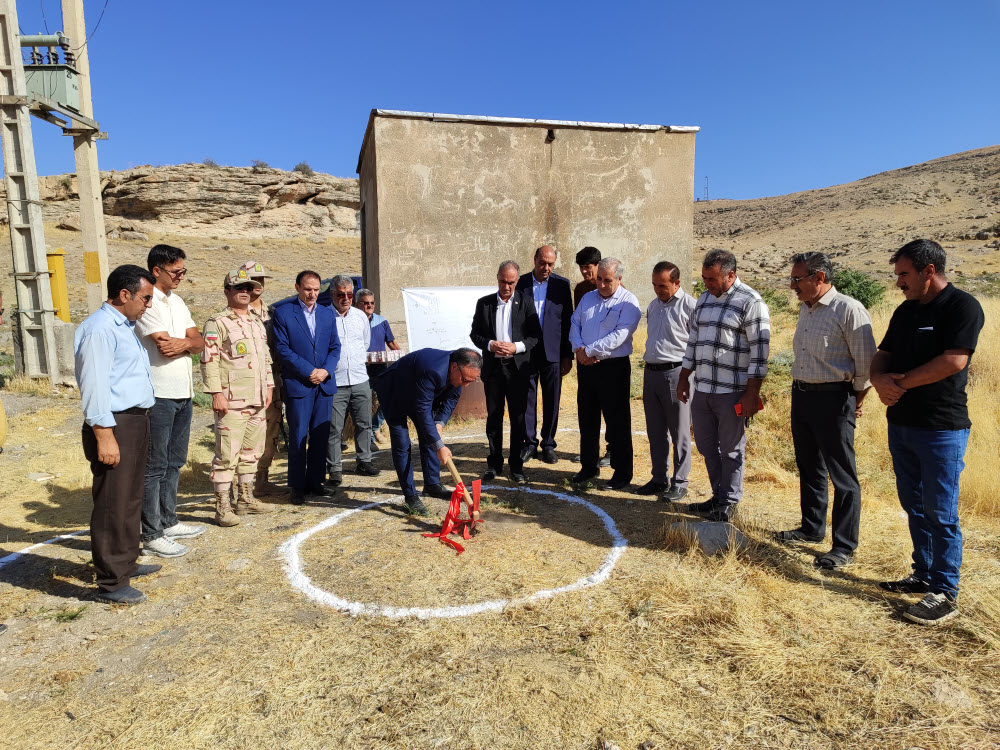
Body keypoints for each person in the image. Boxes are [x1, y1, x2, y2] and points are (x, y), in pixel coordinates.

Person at [871, 239, 984, 626]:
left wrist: (898, 385)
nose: (899, 282)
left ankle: (945, 592)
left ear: (929, 271)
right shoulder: (905, 311)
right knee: (913, 504)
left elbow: (953, 361)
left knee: (941, 511)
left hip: (941, 428)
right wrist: (878, 379)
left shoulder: (962, 306)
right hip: (902, 424)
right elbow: (883, 355)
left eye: (904, 274)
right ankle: (923, 573)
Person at [775, 252, 876, 571]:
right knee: (809, 467)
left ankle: (844, 546)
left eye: (797, 279)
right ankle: (811, 528)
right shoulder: (806, 309)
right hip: (802, 395)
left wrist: (855, 400)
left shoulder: (848, 309)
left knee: (842, 475)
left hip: (834, 399)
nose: (792, 286)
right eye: (791, 279)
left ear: (819, 277)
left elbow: (866, 365)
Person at [74, 265, 160, 606]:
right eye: (146, 298)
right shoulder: (99, 329)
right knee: (113, 502)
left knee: (130, 497)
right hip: (115, 424)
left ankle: (126, 562)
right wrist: (104, 434)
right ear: (125, 294)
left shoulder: (123, 326)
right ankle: (111, 582)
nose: (148, 305)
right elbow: (94, 386)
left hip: (134, 421)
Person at [677, 249, 770, 522]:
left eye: (712, 279)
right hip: (703, 388)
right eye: (704, 278)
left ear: (730, 275)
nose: (707, 284)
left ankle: (729, 500)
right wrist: (684, 377)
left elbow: (760, 352)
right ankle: (717, 495)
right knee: (706, 446)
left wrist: (752, 393)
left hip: (732, 392)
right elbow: (693, 341)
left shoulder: (750, 302)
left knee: (731, 449)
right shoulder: (704, 299)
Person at [134, 244, 206, 558]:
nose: (181, 276)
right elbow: (164, 345)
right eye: (176, 271)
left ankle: (168, 520)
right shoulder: (148, 302)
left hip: (183, 393)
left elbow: (200, 342)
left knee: (174, 462)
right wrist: (187, 343)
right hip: (158, 394)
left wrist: (186, 343)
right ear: (157, 270)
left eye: (183, 271)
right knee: (154, 466)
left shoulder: (176, 301)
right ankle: (151, 533)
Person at [201, 268, 276, 525]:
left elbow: (265, 358)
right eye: (239, 288)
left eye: (248, 288)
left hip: (257, 399)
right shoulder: (218, 322)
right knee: (226, 454)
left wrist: (269, 386)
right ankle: (222, 505)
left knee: (252, 452)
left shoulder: (256, 321)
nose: (245, 292)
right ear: (227, 292)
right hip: (232, 401)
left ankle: (245, 498)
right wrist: (215, 393)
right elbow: (209, 360)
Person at [375, 348, 482, 515]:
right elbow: (423, 411)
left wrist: (439, 423)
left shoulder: (459, 371)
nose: (466, 384)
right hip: (393, 390)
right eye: (465, 379)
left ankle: (432, 485)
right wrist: (440, 446)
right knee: (402, 442)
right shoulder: (433, 370)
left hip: (418, 392)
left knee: (430, 433)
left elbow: (452, 398)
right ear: (454, 367)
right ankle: (410, 496)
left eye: (471, 381)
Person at [569, 257, 642, 490]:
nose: (601, 284)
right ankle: (588, 466)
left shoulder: (629, 302)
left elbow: (620, 335)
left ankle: (622, 473)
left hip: (613, 368)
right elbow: (575, 323)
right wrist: (579, 349)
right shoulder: (588, 298)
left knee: (617, 421)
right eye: (599, 279)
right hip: (586, 367)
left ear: (619, 278)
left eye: (607, 280)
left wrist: (588, 350)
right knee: (587, 418)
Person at [272, 270, 341, 505]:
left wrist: (325, 371)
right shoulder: (283, 313)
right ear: (297, 288)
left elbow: (335, 347)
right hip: (300, 384)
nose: (312, 294)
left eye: (316, 290)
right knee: (299, 436)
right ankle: (297, 486)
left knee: (320, 436)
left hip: (324, 385)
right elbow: (283, 349)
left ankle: (315, 482)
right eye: (307, 289)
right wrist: (309, 371)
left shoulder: (326, 313)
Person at [470, 260, 541, 484]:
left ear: (517, 280)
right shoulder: (484, 303)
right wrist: (490, 344)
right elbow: (475, 335)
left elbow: (535, 336)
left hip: (517, 369)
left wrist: (516, 347)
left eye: (511, 282)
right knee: (494, 417)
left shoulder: (526, 302)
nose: (506, 286)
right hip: (493, 369)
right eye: (503, 281)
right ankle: (494, 464)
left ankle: (516, 466)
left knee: (518, 418)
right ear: (497, 278)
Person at [638, 260, 695, 501]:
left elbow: (695, 344)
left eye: (662, 285)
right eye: (654, 285)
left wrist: (687, 377)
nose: (657, 290)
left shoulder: (690, 306)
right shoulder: (653, 305)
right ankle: (659, 478)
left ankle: (680, 482)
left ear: (676, 283)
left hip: (676, 374)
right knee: (655, 430)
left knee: (679, 431)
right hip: (651, 373)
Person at [516, 245, 573, 465]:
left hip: (553, 352)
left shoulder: (562, 285)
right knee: (527, 399)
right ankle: (529, 443)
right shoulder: (520, 283)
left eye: (550, 264)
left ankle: (548, 444)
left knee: (552, 398)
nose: (546, 268)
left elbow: (567, 321)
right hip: (526, 351)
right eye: (542, 263)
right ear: (534, 260)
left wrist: (567, 355)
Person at [243, 260, 289, 500]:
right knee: (247, 435)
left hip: (273, 382)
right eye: (253, 279)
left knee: (270, 433)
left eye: (261, 279)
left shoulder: (272, 313)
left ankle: (262, 480)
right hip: (246, 384)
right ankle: (244, 487)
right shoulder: (236, 312)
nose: (258, 284)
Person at [326, 275, 377, 485]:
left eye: (349, 294)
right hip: (335, 381)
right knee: (334, 428)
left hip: (359, 378)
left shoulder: (360, 316)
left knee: (364, 424)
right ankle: (335, 469)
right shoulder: (324, 317)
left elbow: (365, 343)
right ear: (332, 294)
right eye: (341, 294)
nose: (346, 298)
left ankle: (364, 461)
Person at [573, 245, 610, 467]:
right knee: (587, 409)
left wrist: (594, 351)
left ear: (598, 265)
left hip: (606, 359)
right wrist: (579, 351)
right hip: (584, 359)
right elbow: (576, 322)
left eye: (588, 267)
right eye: (582, 268)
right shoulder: (579, 290)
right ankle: (589, 452)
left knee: (610, 408)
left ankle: (612, 450)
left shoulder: (615, 288)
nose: (585, 272)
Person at [354, 287, 400, 446]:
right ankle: (368, 439)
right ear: (357, 304)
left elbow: (392, 343)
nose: (369, 306)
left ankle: (375, 426)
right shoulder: (352, 321)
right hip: (360, 370)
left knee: (390, 399)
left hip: (380, 369)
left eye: (372, 303)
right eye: (366, 303)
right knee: (363, 405)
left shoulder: (381, 321)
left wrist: (404, 359)